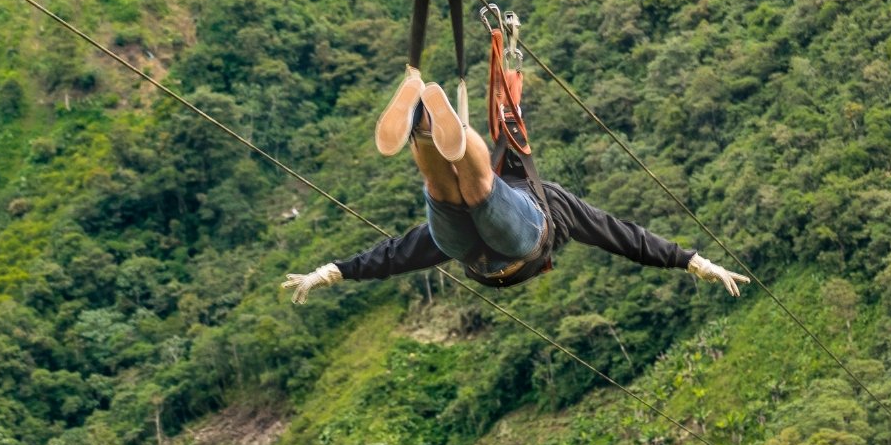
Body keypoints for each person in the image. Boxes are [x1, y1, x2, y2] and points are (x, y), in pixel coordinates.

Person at [281, 81, 750, 303]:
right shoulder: (548, 198)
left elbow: (402, 251)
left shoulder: (547, 197)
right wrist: (330, 273)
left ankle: (428, 132)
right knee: (458, 190)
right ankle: (429, 130)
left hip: (490, 245)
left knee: (459, 190)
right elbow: (620, 235)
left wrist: (334, 272)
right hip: (501, 250)